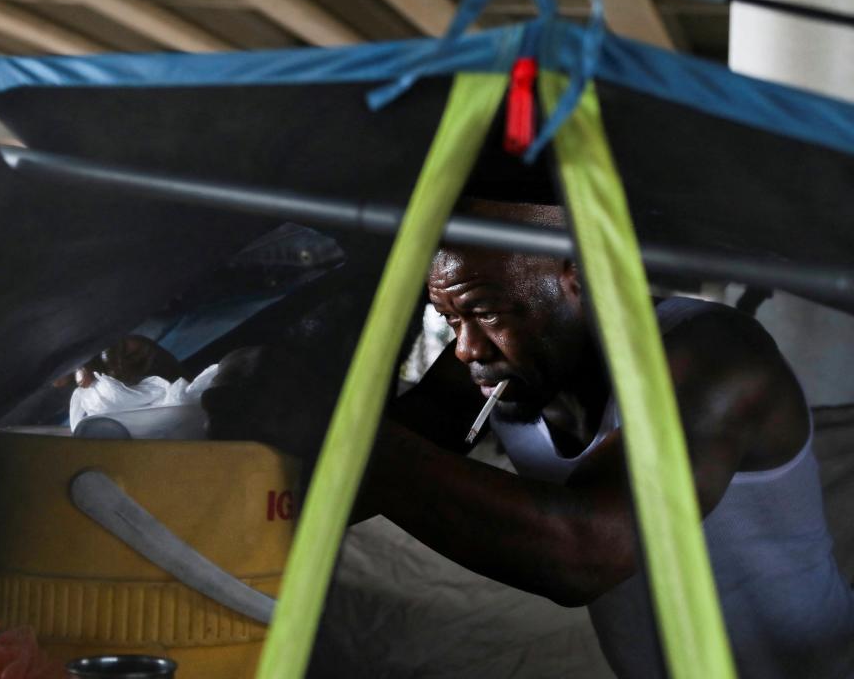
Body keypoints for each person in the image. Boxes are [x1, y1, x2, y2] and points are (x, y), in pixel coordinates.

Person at [205, 200, 854, 678]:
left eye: (485, 311)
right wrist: (237, 444)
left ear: (575, 274)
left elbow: (587, 552)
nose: (465, 346)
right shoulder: (501, 366)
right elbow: (354, 481)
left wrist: (338, 431)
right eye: (450, 318)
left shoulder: (708, 355)